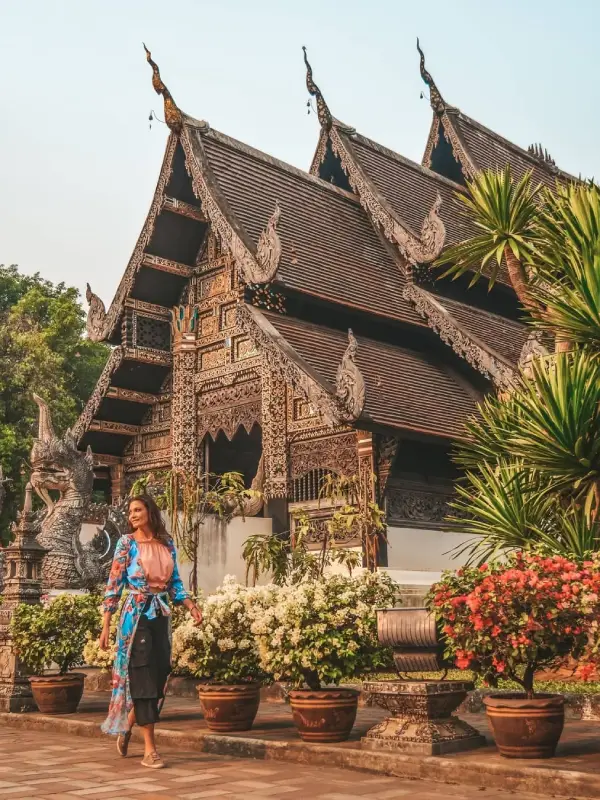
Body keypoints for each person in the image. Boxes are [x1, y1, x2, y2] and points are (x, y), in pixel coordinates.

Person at [99, 494, 202, 769]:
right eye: (130, 511)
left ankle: (129, 723)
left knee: (159, 677)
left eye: (137, 509)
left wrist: (191, 606)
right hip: (136, 616)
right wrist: (106, 624)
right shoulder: (126, 543)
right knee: (143, 676)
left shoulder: (166, 543)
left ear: (149, 511)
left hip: (162, 614)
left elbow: (176, 582)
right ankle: (150, 750)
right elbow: (114, 584)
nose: (132, 515)